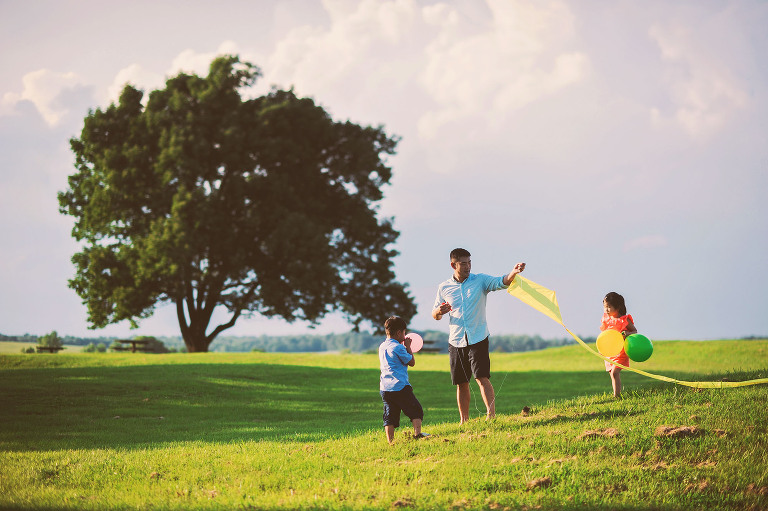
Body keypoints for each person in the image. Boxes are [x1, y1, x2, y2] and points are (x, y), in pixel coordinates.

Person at [432, 248, 526, 423]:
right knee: (461, 383)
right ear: (453, 265)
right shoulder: (444, 287)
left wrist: (513, 272)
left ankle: (491, 416)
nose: (468, 266)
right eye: (463, 263)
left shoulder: (480, 280)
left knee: (482, 377)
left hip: (478, 337)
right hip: (456, 340)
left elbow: (502, 282)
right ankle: (464, 420)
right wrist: (439, 311)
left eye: (469, 262)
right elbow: (435, 315)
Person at [379, 316, 428, 444]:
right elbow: (411, 362)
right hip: (400, 386)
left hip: (385, 388)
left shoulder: (382, 346)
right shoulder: (399, 347)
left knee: (389, 414)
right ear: (399, 333)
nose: (405, 335)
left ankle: (391, 441)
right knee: (415, 409)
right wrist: (408, 346)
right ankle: (417, 434)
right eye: (404, 332)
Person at [600, 291, 637, 399]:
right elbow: (604, 334)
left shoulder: (624, 320)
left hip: (621, 352)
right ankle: (616, 394)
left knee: (615, 373)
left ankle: (617, 396)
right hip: (610, 351)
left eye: (609, 307)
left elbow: (635, 331)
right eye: (605, 307)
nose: (606, 310)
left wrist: (627, 333)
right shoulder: (606, 319)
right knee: (612, 373)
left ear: (618, 307)